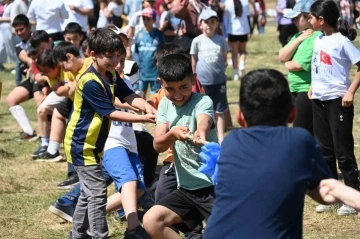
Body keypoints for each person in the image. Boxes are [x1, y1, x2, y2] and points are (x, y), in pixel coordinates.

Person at [203, 69, 332, 239]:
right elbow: (323, 191)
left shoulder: (230, 142)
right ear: (293, 113)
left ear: (240, 117)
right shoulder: (299, 140)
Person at [65, 28, 156, 238]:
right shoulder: (89, 82)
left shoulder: (111, 74)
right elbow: (111, 113)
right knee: (97, 194)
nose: (116, 61)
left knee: (89, 195)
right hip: (81, 145)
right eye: (110, 56)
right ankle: (98, 235)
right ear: (92, 54)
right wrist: (144, 118)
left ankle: (78, 235)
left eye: (118, 55)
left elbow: (128, 95)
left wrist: (147, 107)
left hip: (95, 144)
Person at [143, 53, 218, 239]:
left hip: (214, 187)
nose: (177, 95)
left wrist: (201, 132)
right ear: (160, 82)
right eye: (170, 89)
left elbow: (204, 121)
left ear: (193, 80)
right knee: (151, 219)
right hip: (185, 189)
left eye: (184, 87)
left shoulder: (202, 101)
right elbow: (158, 145)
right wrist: (172, 134)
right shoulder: (164, 106)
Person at [308, 0, 360, 216]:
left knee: (343, 152)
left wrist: (350, 92)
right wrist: (313, 85)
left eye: (311, 17)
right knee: (324, 151)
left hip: (338, 101)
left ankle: (353, 197)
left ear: (321, 20)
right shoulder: (318, 40)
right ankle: (331, 196)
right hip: (318, 100)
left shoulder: (342, 42)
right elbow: (318, 66)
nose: (309, 20)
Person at [278, 0, 320, 135]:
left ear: (309, 17)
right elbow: (282, 56)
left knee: (301, 130)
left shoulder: (317, 38)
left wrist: (288, 63)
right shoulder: (298, 36)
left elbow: (297, 65)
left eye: (297, 18)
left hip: (307, 89)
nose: (294, 21)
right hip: (294, 88)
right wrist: (298, 39)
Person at [191, 7, 229, 144]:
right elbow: (194, 60)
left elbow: (225, 58)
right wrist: (194, 78)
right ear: (200, 24)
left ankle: (220, 137)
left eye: (213, 22)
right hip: (203, 82)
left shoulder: (221, 40)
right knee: (203, 109)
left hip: (219, 82)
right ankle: (202, 134)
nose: (209, 25)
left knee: (219, 110)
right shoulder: (197, 41)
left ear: (217, 24)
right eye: (206, 22)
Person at [135, 7, 165, 98]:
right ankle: (143, 112)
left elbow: (163, 51)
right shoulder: (138, 34)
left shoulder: (159, 35)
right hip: (142, 72)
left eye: (148, 19)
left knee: (154, 96)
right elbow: (137, 51)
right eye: (143, 18)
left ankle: (153, 112)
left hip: (155, 72)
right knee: (140, 95)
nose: (145, 21)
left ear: (154, 20)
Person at [223, 0, 251, 81]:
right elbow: (248, 16)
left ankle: (236, 73)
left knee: (234, 53)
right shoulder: (245, 2)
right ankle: (242, 64)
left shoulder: (227, 3)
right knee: (242, 50)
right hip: (244, 30)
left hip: (233, 30)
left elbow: (226, 18)